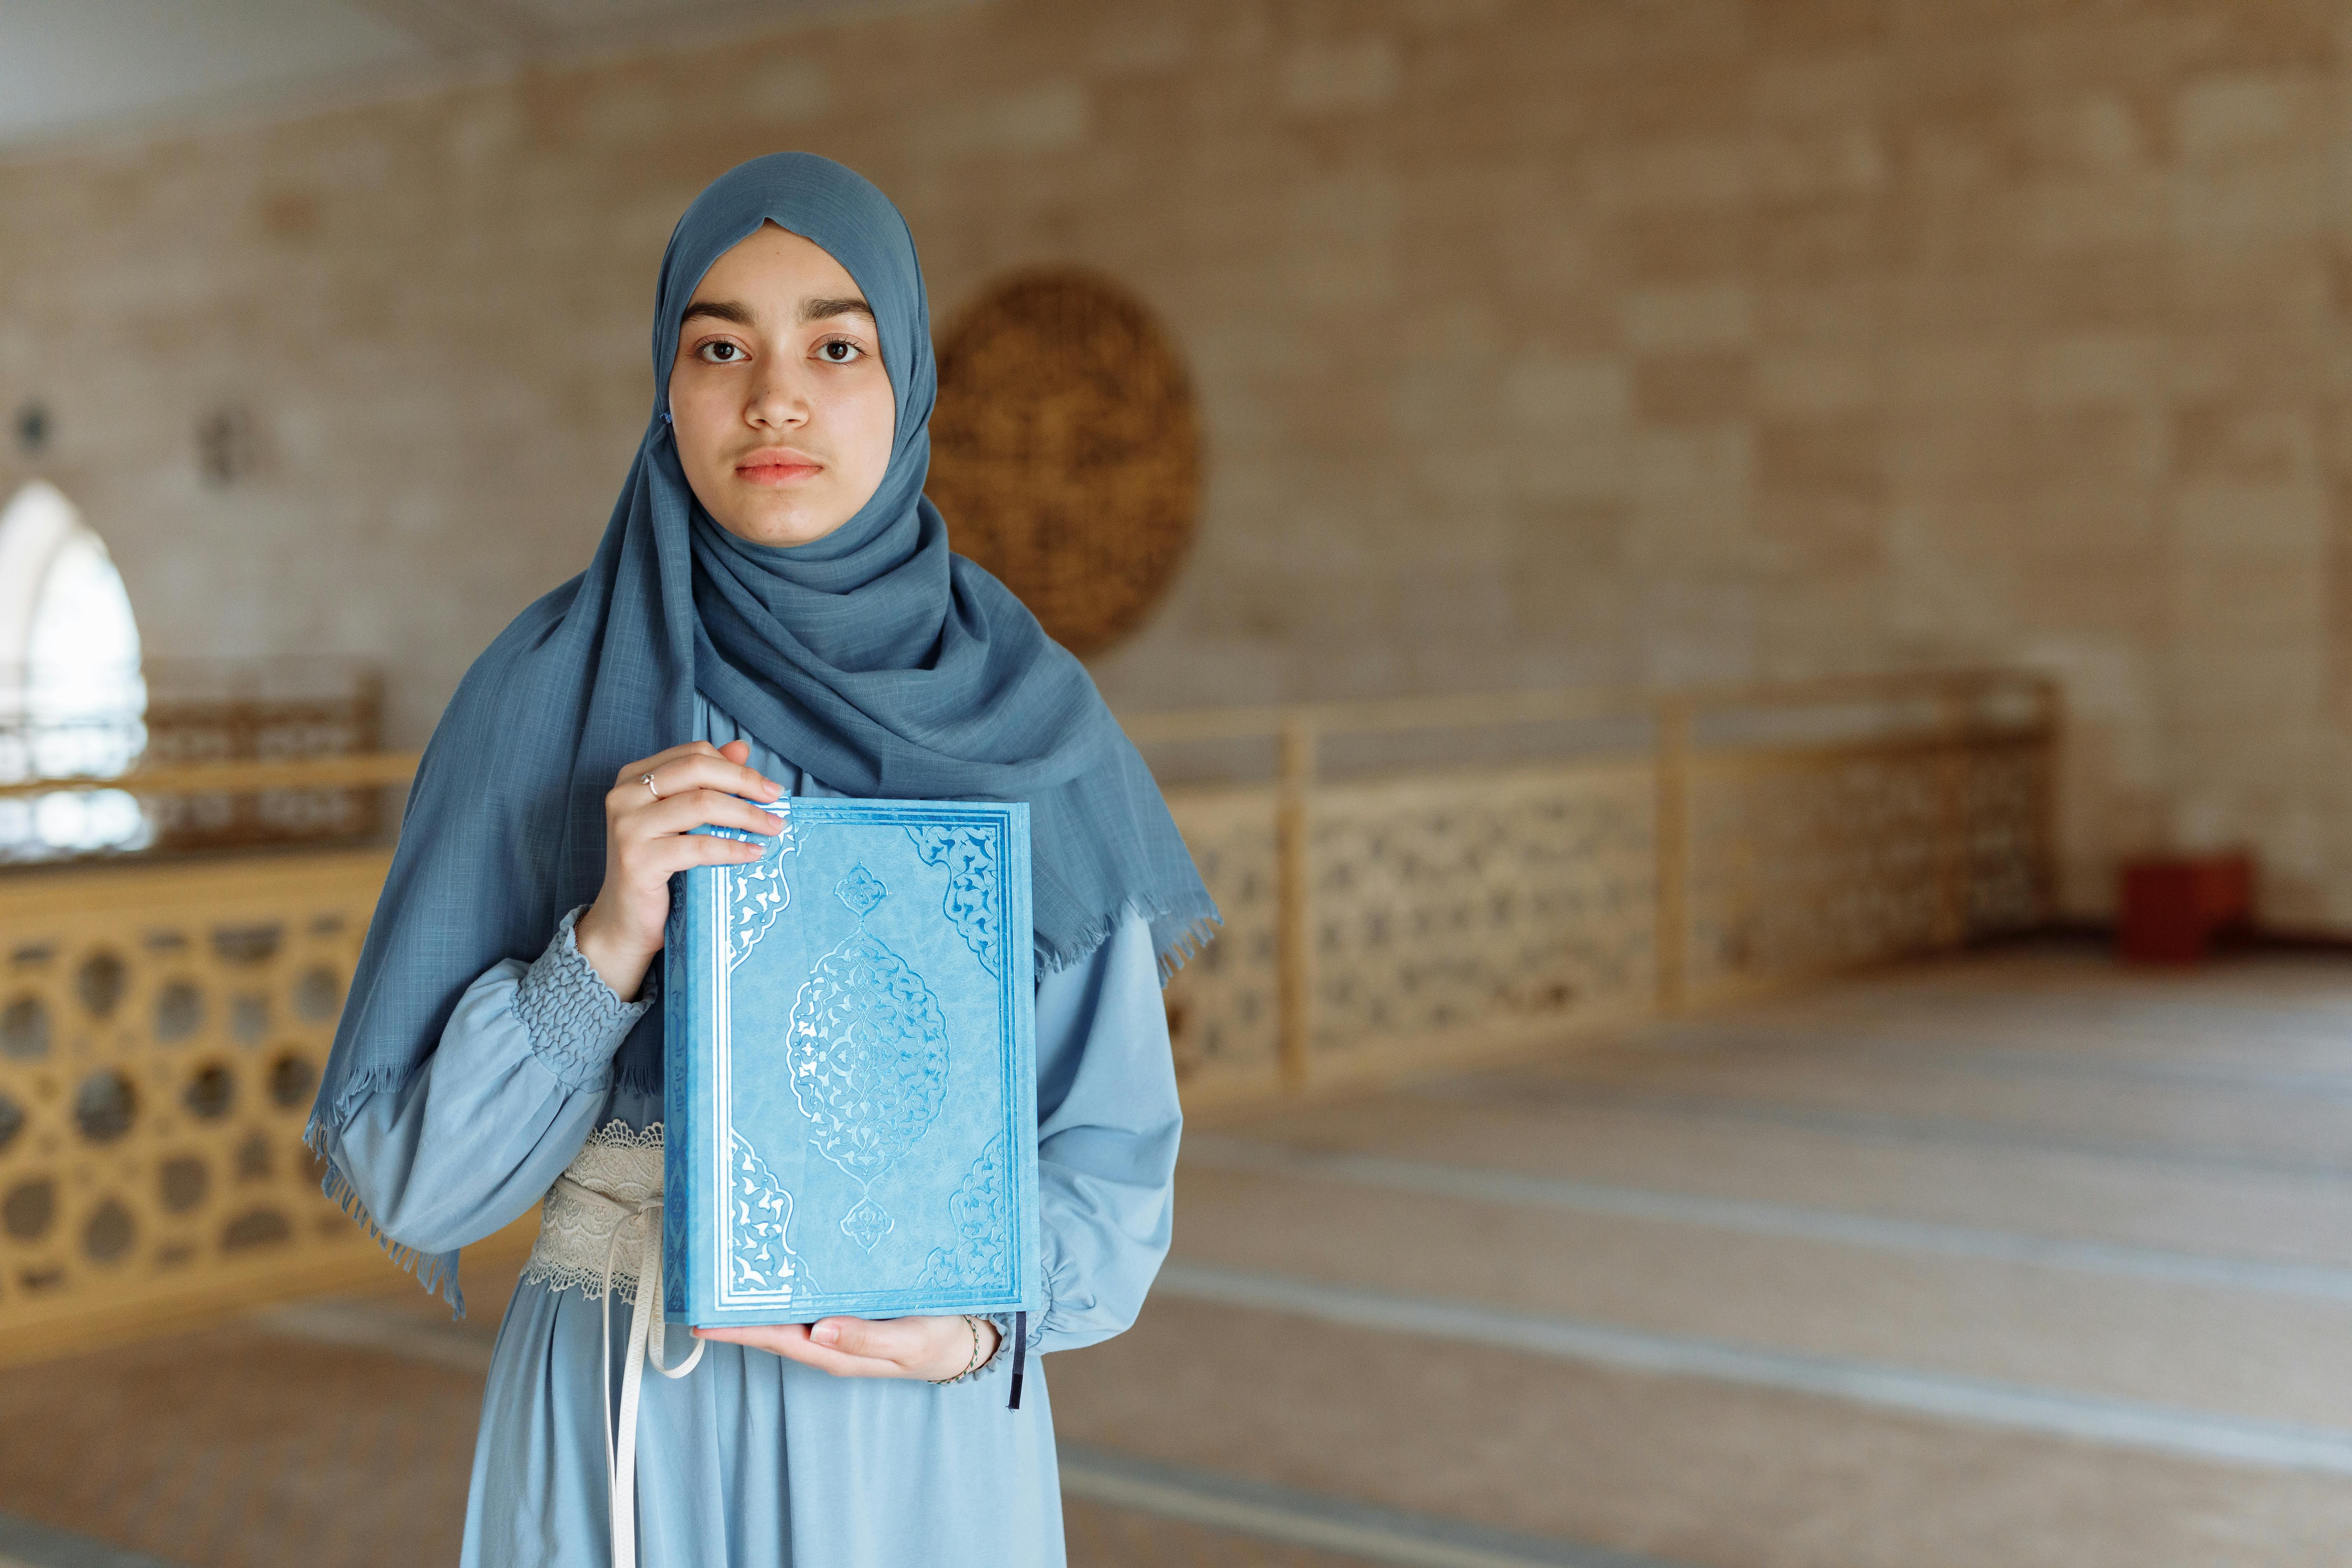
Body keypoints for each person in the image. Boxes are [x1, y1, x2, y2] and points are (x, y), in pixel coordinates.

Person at [304, 152, 1218, 1568]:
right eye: (719, 344)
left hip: (912, 1446)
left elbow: (1113, 1174)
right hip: (622, 1421)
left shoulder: (1029, 727)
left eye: (834, 345)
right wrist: (603, 943)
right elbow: (419, 1183)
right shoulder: (539, 697)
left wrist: (975, 1318)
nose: (773, 395)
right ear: (665, 387)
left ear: (908, 381)